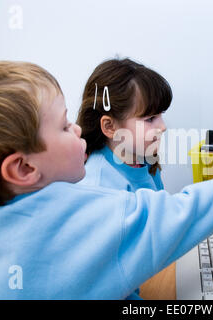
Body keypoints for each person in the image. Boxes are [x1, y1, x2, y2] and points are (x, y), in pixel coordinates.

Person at [0, 61, 213, 299]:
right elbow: (186, 211)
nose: (77, 127)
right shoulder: (93, 202)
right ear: (23, 169)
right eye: (65, 125)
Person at [77, 58, 171, 299]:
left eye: (160, 115)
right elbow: (101, 283)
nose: (162, 126)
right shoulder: (99, 187)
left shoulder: (143, 158)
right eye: (150, 119)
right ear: (109, 127)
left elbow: (161, 216)